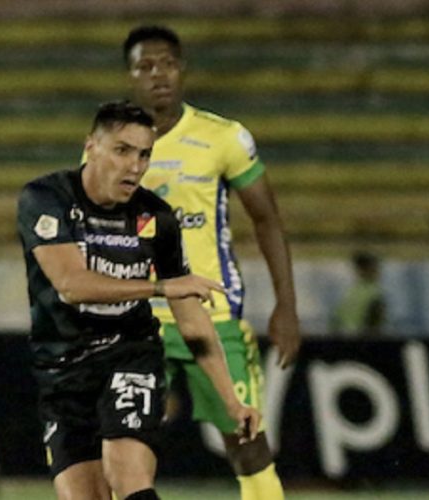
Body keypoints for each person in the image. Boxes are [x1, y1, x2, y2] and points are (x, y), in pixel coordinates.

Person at [17, 101, 260, 500]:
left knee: (128, 474)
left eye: (144, 154)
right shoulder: (46, 199)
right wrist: (160, 288)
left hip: (131, 356)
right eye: (123, 150)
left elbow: (190, 316)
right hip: (62, 370)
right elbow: (71, 284)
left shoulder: (156, 217)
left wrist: (233, 402)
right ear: (91, 147)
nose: (135, 165)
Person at [122, 25, 301, 499]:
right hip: (139, 322)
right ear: (130, 76)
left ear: (183, 70)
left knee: (246, 443)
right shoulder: (111, 144)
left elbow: (267, 220)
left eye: (168, 64)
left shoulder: (223, 138)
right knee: (127, 451)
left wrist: (287, 306)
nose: (158, 75)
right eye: (145, 66)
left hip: (213, 318)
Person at [330, 251, 386, 337]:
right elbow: (375, 327)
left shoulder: (348, 293)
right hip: (363, 343)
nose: (378, 271)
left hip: (343, 341)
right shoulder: (375, 294)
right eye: (375, 268)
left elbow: (334, 322)